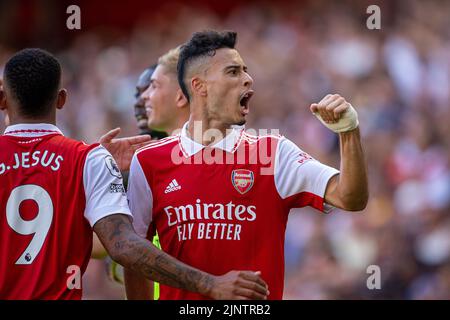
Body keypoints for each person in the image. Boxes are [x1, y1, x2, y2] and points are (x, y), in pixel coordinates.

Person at [0, 48, 269, 300]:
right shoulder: (87, 160)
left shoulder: (92, 160)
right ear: (61, 100)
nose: (142, 99)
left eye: (152, 87)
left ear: (3, 99)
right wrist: (211, 284)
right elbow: (122, 246)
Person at [126, 30, 368, 300]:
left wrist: (349, 131)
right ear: (199, 86)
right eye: (233, 72)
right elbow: (134, 255)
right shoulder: (148, 161)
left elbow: (351, 197)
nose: (248, 79)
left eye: (245, 71)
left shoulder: (272, 153)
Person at [124, 46, 190, 300]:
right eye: (139, 93)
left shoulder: (225, 154)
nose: (142, 100)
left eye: (152, 87)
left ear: (181, 95)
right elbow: (106, 247)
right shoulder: (138, 163)